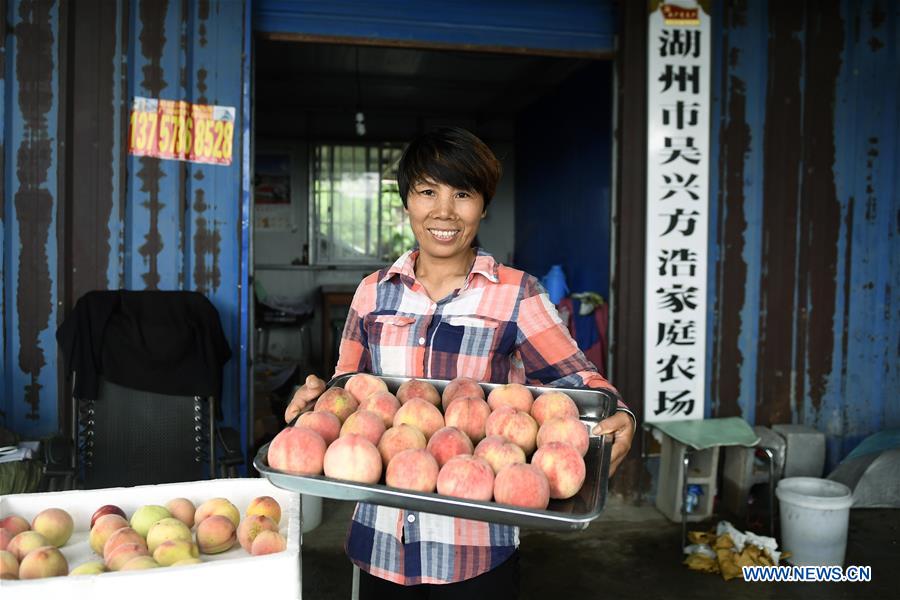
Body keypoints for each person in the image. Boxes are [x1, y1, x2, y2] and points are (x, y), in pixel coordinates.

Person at [284, 127, 635, 598]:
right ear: (407, 201)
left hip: (474, 551)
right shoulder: (374, 291)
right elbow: (346, 390)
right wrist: (313, 404)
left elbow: (579, 381)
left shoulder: (516, 292)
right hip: (382, 543)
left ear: (483, 206)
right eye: (427, 191)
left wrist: (621, 414)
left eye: (463, 193)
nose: (444, 211)